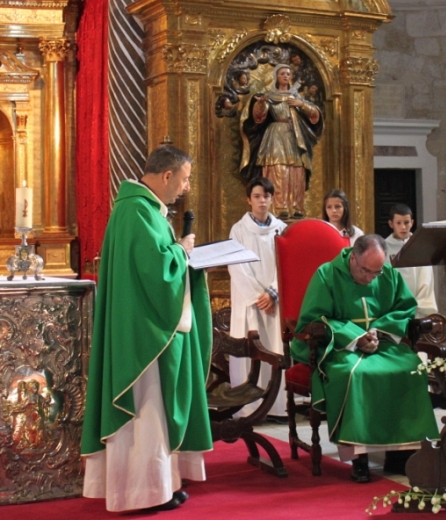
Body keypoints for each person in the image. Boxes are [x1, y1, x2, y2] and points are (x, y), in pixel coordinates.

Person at [81, 145, 213, 512]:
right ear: (167, 175)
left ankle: (164, 485)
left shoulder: (145, 209)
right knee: (147, 409)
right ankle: (141, 493)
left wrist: (180, 253)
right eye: (184, 179)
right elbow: (157, 270)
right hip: (141, 331)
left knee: (157, 409)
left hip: (146, 324)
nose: (185, 187)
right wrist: (183, 252)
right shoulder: (136, 210)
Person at [290, 234, 439, 482]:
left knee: (411, 369)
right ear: (354, 258)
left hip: (381, 343)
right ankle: (359, 457)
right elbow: (315, 322)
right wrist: (354, 337)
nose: (370, 278)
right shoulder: (327, 275)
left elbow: (404, 308)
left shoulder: (388, 274)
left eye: (376, 273)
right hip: (339, 347)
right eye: (366, 271)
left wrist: (377, 331)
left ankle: (402, 454)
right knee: (355, 374)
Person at [228, 176, 287, 419]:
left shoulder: (281, 229)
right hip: (251, 302)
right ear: (248, 200)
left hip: (274, 301)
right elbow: (236, 265)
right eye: (257, 196)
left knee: (275, 348)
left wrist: (273, 292)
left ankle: (277, 406)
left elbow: (286, 263)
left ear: (272, 198)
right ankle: (249, 408)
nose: (262, 201)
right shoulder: (239, 230)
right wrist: (257, 296)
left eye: (266, 196)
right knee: (253, 350)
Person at [240, 63, 323, 219]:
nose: (286, 76)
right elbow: (258, 118)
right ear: (276, 77)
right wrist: (261, 104)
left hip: (295, 136)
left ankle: (296, 207)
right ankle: (279, 207)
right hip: (275, 135)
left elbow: (315, 116)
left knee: (297, 171)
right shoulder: (270, 96)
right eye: (282, 74)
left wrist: (301, 104)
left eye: (288, 73)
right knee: (278, 170)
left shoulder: (296, 97)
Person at [385, 203, 437, 318]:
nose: (403, 227)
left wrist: (419, 306)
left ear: (412, 223)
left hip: (418, 308)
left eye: (406, 222)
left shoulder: (420, 247)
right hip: (394, 308)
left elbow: (426, 281)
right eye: (398, 223)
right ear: (391, 224)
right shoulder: (384, 248)